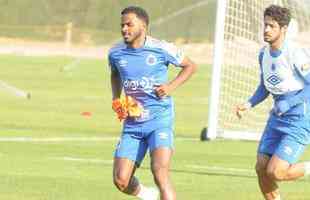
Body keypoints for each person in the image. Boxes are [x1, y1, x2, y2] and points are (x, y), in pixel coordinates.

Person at [108, 6, 197, 200]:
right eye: (122, 25)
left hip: (159, 121)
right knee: (121, 180)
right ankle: (147, 195)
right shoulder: (116, 53)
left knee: (160, 173)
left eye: (129, 24)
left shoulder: (161, 48)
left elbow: (190, 66)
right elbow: (115, 74)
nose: (124, 29)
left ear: (143, 25)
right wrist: (117, 99)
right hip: (132, 125)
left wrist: (170, 86)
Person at [236, 5, 310, 200]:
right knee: (261, 168)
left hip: (299, 119)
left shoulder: (295, 53)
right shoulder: (263, 54)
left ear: (283, 29)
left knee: (276, 172)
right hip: (277, 118)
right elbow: (264, 86)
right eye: (265, 25)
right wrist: (249, 103)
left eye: (272, 26)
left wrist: (290, 103)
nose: (266, 30)